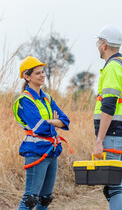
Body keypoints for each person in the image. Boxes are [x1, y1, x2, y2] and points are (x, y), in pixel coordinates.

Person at [13, 56, 71, 210]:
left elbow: (65, 121)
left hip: (52, 152)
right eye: (37, 73)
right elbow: (40, 127)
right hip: (36, 152)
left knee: (45, 199)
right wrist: (53, 122)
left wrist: (50, 122)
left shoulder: (47, 98)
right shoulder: (25, 100)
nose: (42, 75)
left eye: (43, 72)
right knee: (30, 199)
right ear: (27, 76)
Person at [93, 25, 122, 210]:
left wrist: (99, 140)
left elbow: (108, 106)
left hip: (113, 134)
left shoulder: (111, 68)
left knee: (113, 187)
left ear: (104, 45)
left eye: (98, 43)